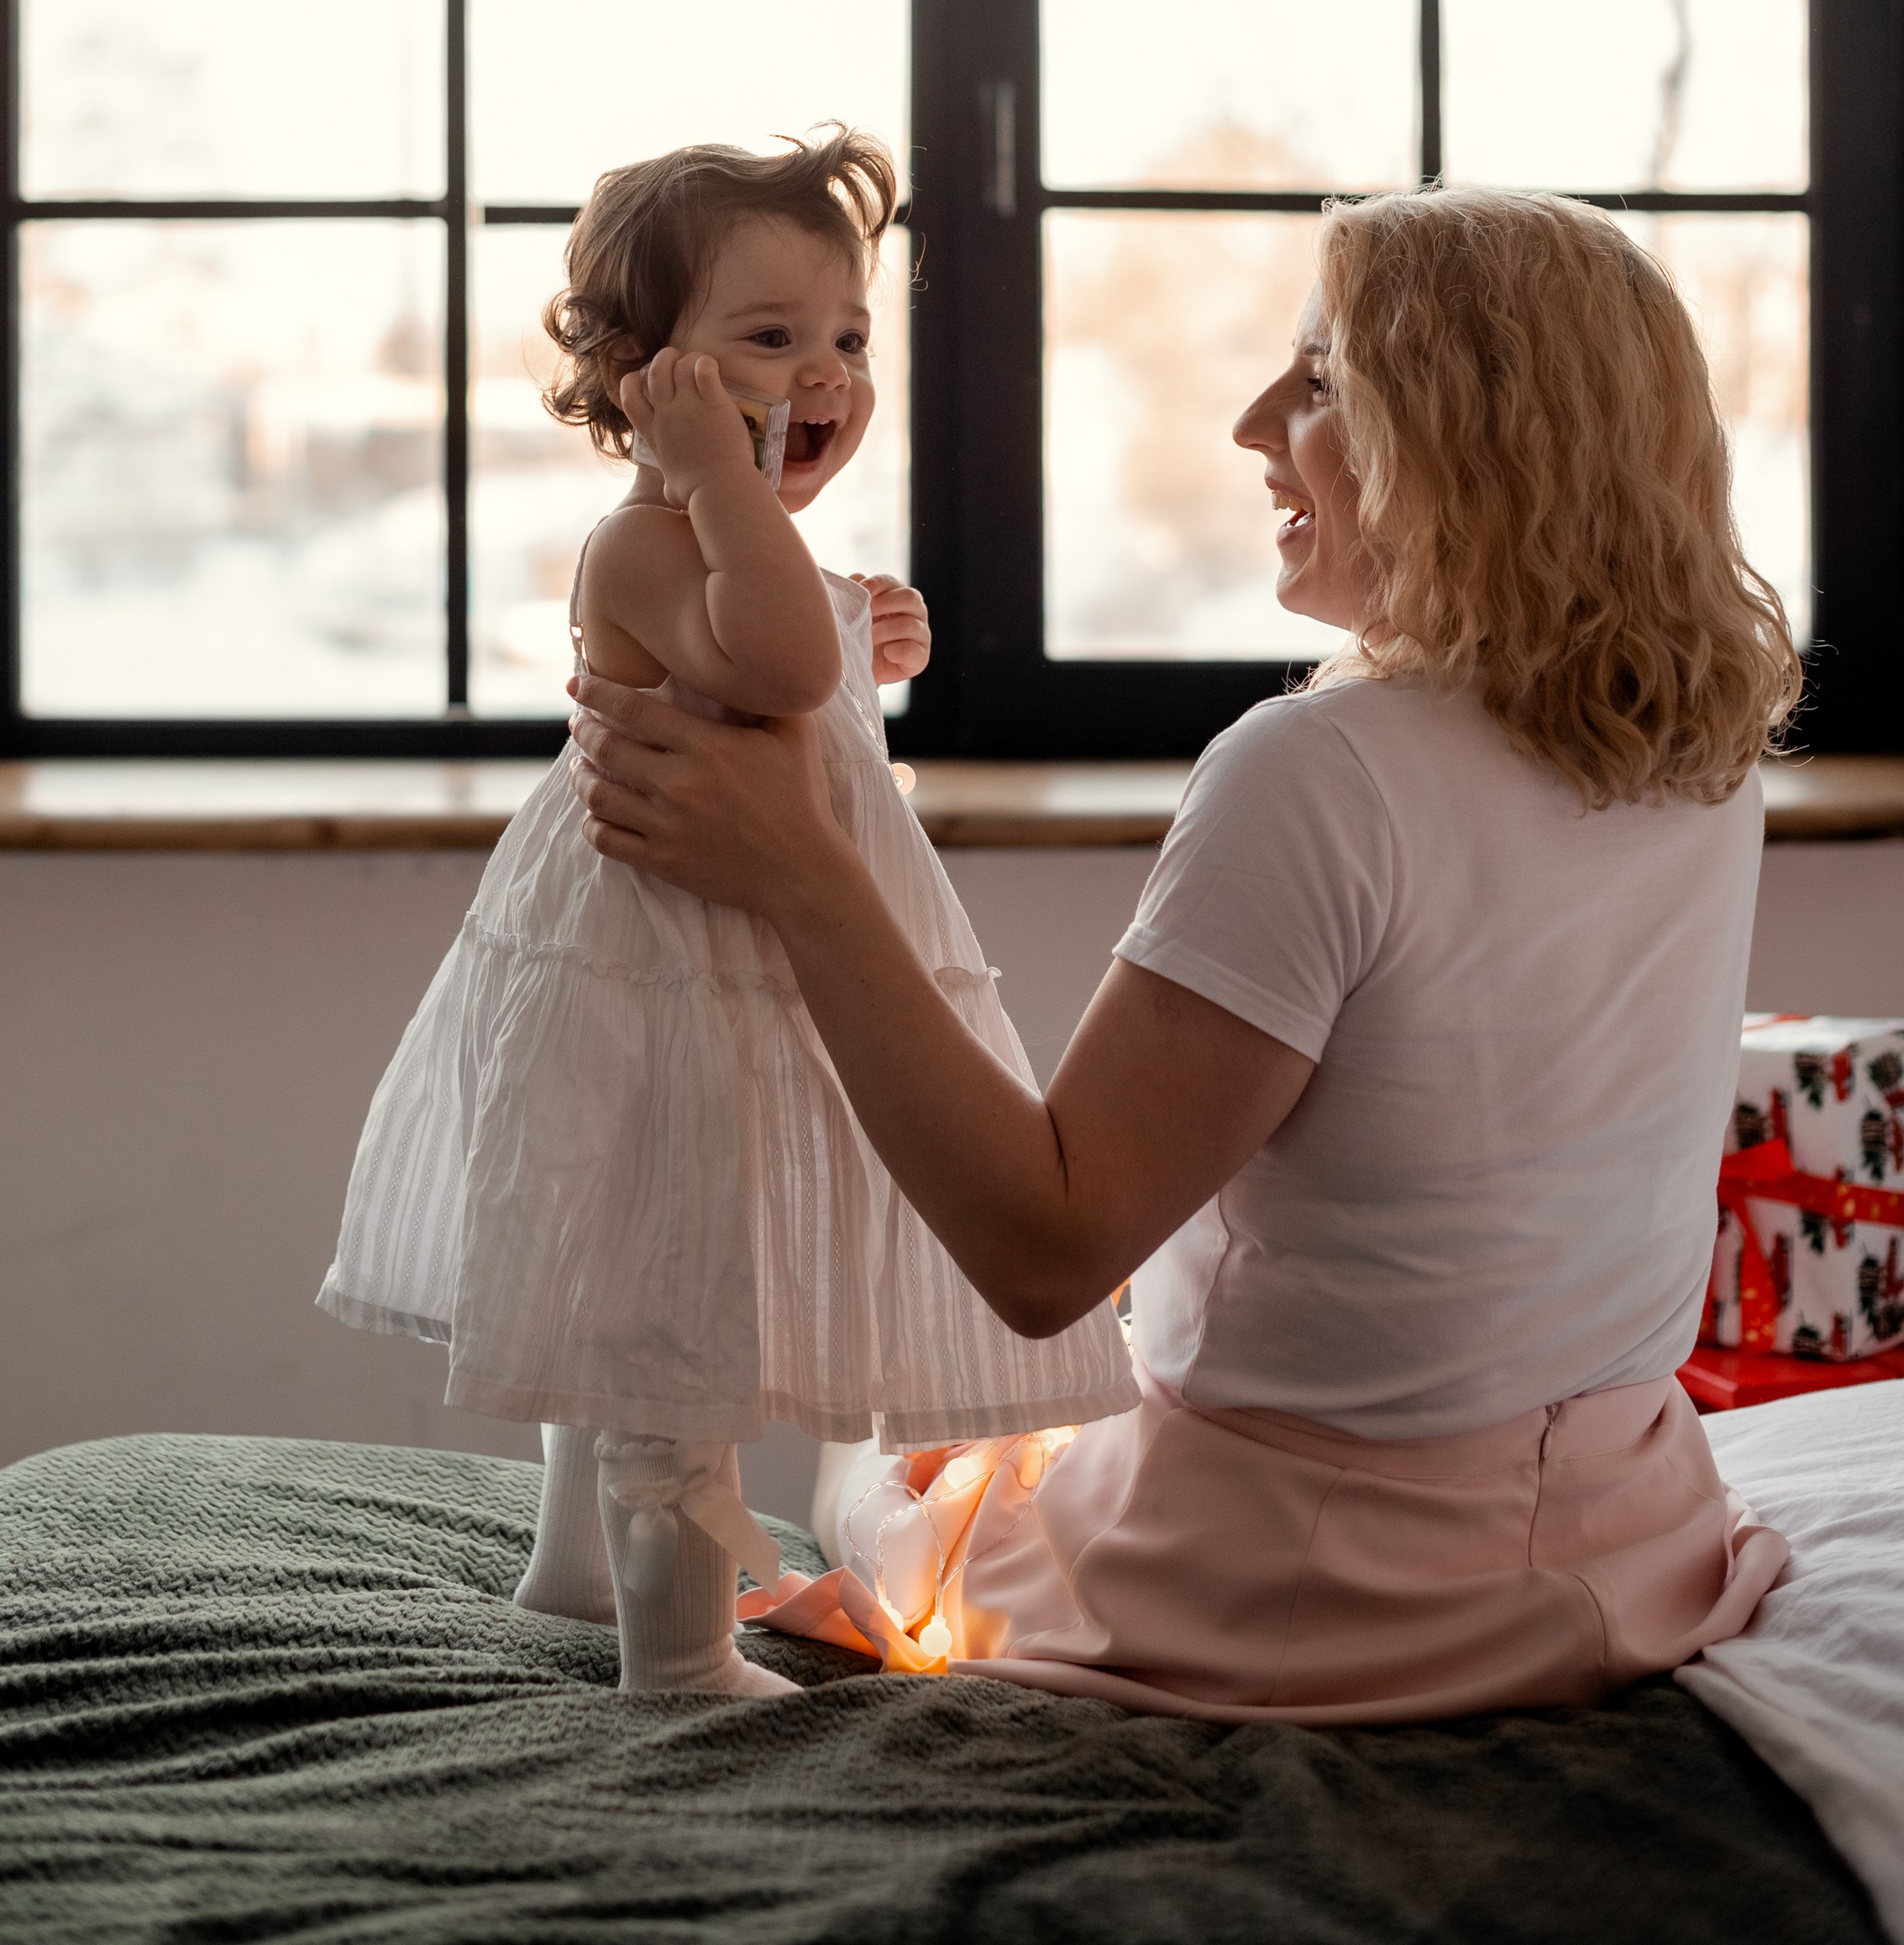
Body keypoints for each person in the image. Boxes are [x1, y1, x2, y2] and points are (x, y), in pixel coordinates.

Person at [566, 188, 1803, 1721]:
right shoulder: (1699, 745)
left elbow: (1043, 1254)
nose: (1250, 422)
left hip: (1336, 1591)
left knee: (877, 1463)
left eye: (1322, 381)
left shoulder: (1320, 769)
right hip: (1637, 1535)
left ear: (1476, 438)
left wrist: (801, 870)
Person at [317, 128, 1133, 1699]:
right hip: (669, 978)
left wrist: (860, 620)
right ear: (642, 375)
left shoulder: (736, 540)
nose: (825, 373)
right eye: (769, 340)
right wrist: (742, 526)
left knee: (637, 1277)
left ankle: (573, 1572)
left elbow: (800, 656)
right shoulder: (646, 535)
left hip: (746, 965)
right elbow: (770, 671)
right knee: (675, 1307)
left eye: (848, 338)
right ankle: (679, 1661)